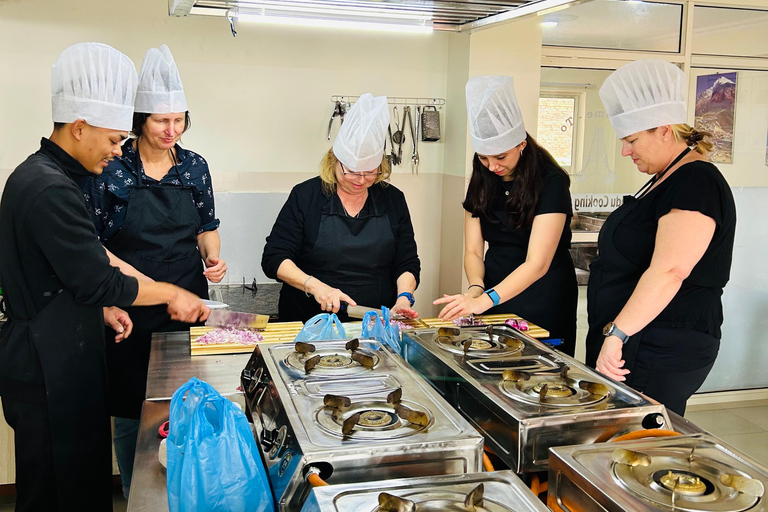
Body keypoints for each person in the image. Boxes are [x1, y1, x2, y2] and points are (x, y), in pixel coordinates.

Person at [0, 43, 209, 512]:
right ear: (79, 128)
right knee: (58, 489)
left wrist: (102, 307)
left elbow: (72, 268)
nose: (118, 151)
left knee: (76, 482)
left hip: (62, 350)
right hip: (47, 366)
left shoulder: (48, 177)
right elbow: (98, 277)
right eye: (114, 139)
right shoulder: (50, 188)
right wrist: (169, 293)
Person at [76, 44, 225, 498]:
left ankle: (184, 489)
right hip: (130, 310)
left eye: (179, 120)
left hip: (186, 308)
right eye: (162, 121)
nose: (171, 130)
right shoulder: (111, 168)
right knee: (129, 412)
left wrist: (213, 258)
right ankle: (138, 495)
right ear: (141, 119)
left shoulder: (194, 166)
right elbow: (94, 243)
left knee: (187, 405)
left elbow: (207, 225)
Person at [586, 59, 736, 416]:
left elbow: (670, 271)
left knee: (639, 442)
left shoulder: (696, 182)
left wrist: (617, 335)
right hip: (638, 338)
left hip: (662, 343)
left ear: (665, 131)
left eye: (632, 140)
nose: (626, 150)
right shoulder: (664, 178)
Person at [434, 76, 578, 355]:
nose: (492, 166)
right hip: (493, 292)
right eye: (484, 158)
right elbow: (474, 250)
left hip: (544, 293)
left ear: (521, 144)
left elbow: (538, 263)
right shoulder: (482, 176)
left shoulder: (551, 181)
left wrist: (484, 300)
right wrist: (476, 287)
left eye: (500, 157)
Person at [262, 93, 420, 323]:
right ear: (335, 160)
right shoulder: (306, 196)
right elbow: (274, 258)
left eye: (370, 172)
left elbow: (406, 261)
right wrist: (316, 287)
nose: (360, 180)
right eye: (352, 171)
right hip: (309, 320)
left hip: (374, 322)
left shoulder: (393, 199)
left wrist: (404, 297)